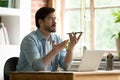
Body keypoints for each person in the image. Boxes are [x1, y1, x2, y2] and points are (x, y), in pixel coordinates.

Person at [16, 7, 82, 71]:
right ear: (40, 22)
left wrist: (71, 48)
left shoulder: (57, 39)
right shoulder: (29, 40)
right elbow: (37, 67)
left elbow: (66, 66)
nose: (55, 22)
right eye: (50, 19)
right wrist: (54, 51)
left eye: (55, 19)